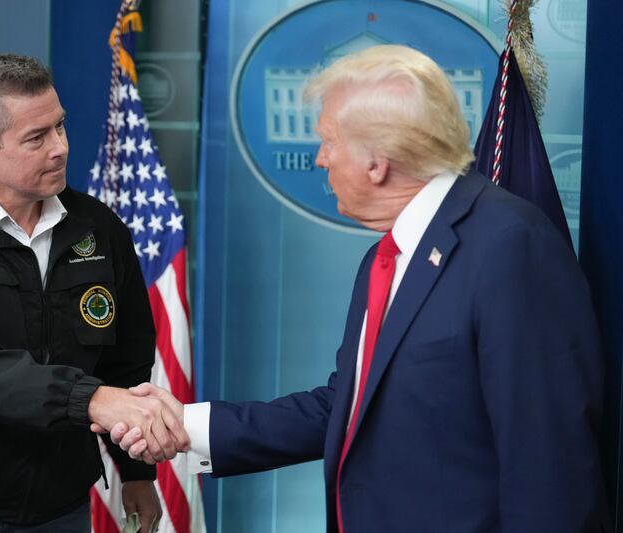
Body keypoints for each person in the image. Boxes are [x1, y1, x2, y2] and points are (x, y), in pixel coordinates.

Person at [107, 45, 610, 532]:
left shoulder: (510, 246)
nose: (321, 159)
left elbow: (549, 462)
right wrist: (187, 427)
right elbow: (344, 407)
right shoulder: (385, 256)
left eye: (328, 141)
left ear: (377, 162)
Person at [0, 54, 188, 533]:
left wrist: (136, 473)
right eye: (36, 138)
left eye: (60, 126)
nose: (60, 148)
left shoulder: (100, 228)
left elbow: (125, 361)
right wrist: (90, 399)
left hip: (58, 506)